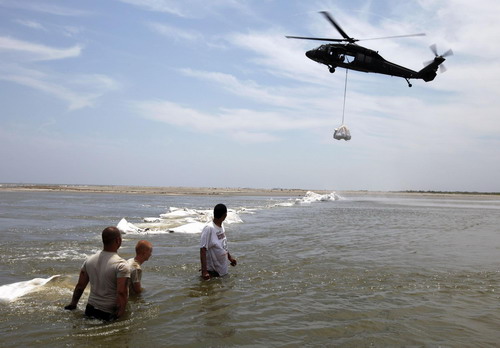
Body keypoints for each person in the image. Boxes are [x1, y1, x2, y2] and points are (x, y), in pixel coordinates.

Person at [64, 226, 130, 321]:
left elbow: (80, 286)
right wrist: (121, 316)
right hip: (108, 313)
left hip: (90, 309)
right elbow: (121, 292)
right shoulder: (121, 265)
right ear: (118, 240)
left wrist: (73, 304)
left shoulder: (89, 260)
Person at [200, 203, 237, 280]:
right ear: (225, 215)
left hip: (222, 269)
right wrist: (204, 271)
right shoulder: (209, 228)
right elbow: (203, 249)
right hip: (212, 271)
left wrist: (230, 258)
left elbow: (223, 244)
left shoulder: (221, 226)